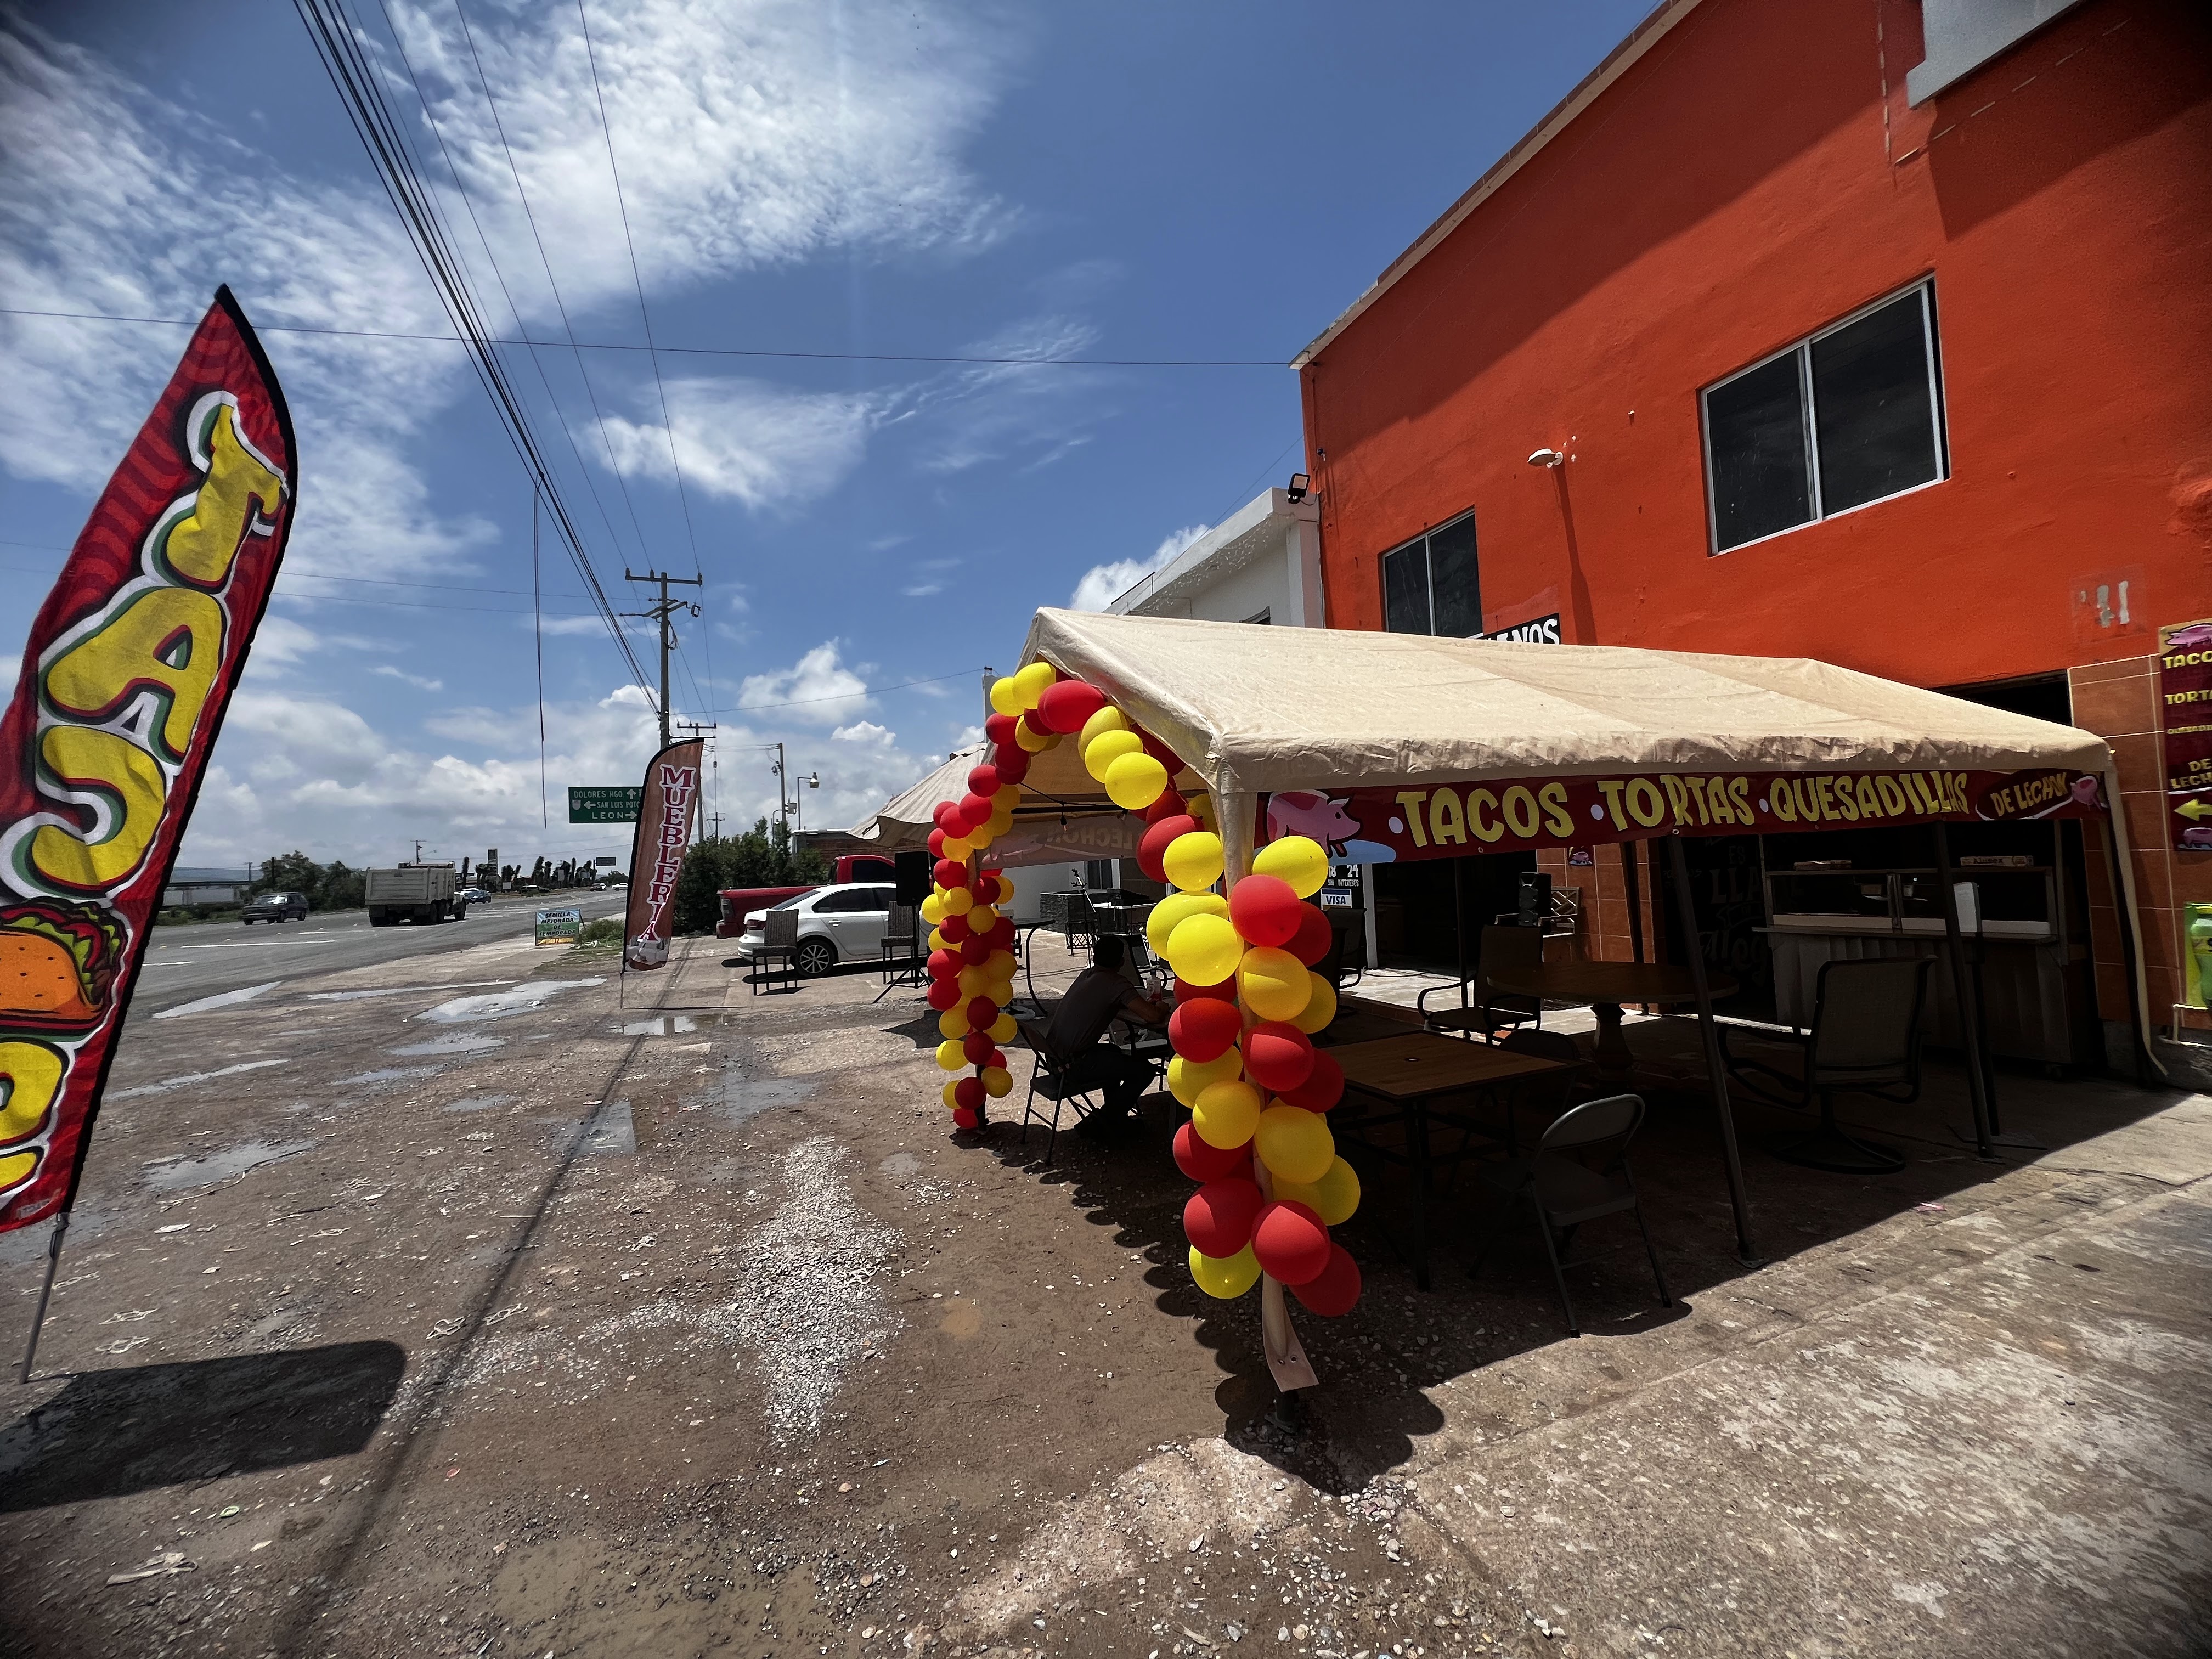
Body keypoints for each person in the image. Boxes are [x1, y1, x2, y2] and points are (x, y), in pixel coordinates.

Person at [1042, 936, 1169, 1137]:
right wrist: (1161, 1007)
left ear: (1095, 957)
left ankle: (1113, 1117)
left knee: (1114, 1052)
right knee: (1145, 1071)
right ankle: (1106, 1120)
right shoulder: (1116, 983)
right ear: (1122, 961)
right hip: (1072, 1066)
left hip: (1054, 1059)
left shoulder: (1086, 975)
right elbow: (1152, 1016)